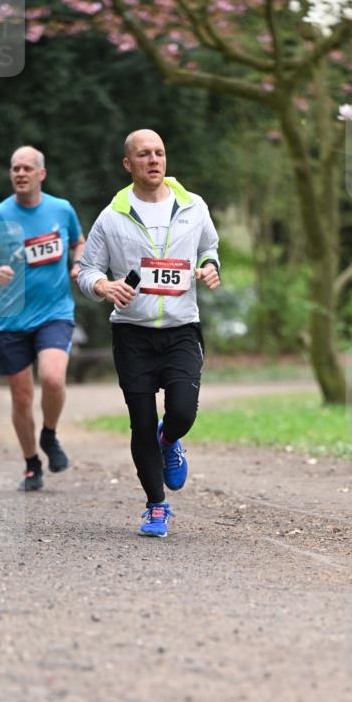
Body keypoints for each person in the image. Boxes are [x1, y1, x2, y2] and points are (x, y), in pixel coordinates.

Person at [78, 129, 220, 538]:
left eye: (159, 152)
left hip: (181, 328)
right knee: (141, 423)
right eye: (144, 154)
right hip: (132, 334)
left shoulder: (193, 206)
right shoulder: (112, 216)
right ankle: (156, 506)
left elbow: (209, 248)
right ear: (128, 164)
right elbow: (87, 270)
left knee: (182, 412)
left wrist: (210, 267)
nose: (153, 160)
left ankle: (169, 439)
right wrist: (103, 287)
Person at [0, 146, 84, 490]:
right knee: (21, 398)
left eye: (26, 168)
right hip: (9, 319)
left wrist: (78, 263)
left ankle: (49, 433)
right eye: (15, 168)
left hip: (54, 312)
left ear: (41, 174)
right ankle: (32, 463)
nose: (20, 173)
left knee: (52, 379)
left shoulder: (61, 209)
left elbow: (78, 242)